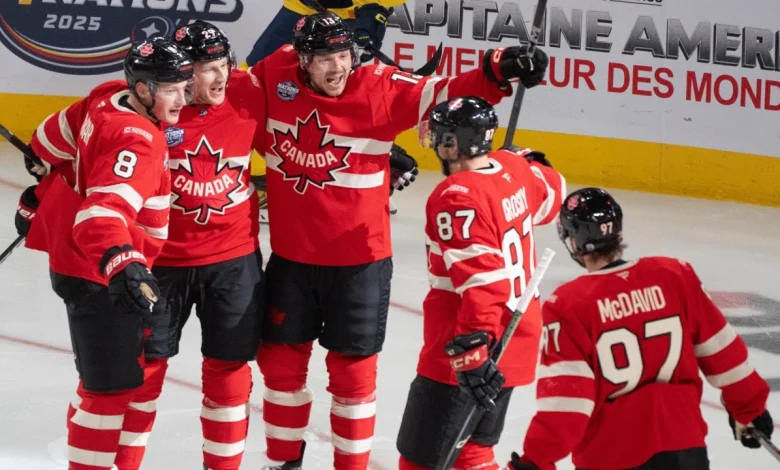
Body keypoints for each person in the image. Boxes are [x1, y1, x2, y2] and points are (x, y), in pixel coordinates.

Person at [245, 13, 549, 469]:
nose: (337, 68)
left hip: (361, 264)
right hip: (292, 259)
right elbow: (219, 98)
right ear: (302, 59)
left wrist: (499, 67)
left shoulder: (378, 87)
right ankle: (282, 462)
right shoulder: (274, 75)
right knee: (280, 369)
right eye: (325, 59)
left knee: (352, 377)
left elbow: (444, 92)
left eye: (344, 56)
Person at [16, 37, 193, 470]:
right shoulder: (140, 140)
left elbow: (50, 138)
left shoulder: (106, 96)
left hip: (79, 264)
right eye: (171, 88)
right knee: (109, 388)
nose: (183, 98)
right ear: (145, 90)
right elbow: (102, 214)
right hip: (100, 274)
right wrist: (123, 263)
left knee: (105, 380)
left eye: (185, 86)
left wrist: (41, 181)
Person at [506, 187, 773, 470]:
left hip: (612, 457)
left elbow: (568, 402)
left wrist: (536, 459)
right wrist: (749, 408)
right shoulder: (674, 276)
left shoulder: (569, 304)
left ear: (573, 241)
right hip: (685, 450)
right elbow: (724, 352)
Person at [395, 97, 565, 470]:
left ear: (453, 143)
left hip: (468, 349)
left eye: (439, 135)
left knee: (421, 458)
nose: (434, 142)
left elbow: (485, 284)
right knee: (473, 452)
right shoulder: (512, 167)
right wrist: (528, 159)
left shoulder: (456, 197)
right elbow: (554, 193)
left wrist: (473, 354)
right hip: (515, 339)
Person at [131, 21, 264, 470]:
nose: (220, 76)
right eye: (207, 68)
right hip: (161, 263)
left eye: (223, 63)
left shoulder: (249, 93)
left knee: (229, 370)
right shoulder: (154, 107)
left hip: (234, 262)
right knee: (143, 371)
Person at [244, 0, 412, 221]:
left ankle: (357, 177)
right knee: (254, 81)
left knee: (337, 85)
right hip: (303, 7)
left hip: (347, 10)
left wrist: (374, 5)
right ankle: (260, 177)